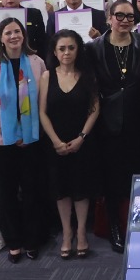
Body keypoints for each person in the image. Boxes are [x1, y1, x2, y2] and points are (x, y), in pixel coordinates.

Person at [0, 16, 51, 261]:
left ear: (24, 35)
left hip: (32, 140)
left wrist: (26, 133)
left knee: (32, 190)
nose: (13, 36)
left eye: (17, 32)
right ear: (0, 38)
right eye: (8, 33)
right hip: (1, 141)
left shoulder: (36, 62)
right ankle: (14, 241)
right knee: (7, 193)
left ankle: (33, 239)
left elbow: (43, 100)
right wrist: (7, 131)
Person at [86, 0, 140, 252]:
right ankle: (115, 226)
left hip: (139, 120)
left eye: (130, 16)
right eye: (120, 16)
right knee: (113, 178)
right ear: (109, 18)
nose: (125, 21)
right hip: (107, 122)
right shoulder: (94, 48)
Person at [40, 29, 100, 258]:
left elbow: (94, 109)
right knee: (61, 190)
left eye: (71, 47)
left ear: (78, 50)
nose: (67, 52)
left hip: (82, 142)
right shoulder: (47, 76)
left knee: (81, 189)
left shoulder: (88, 75)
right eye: (62, 48)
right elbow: (42, 112)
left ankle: (82, 233)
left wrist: (81, 138)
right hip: (56, 143)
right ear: (54, 52)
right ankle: (67, 234)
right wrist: (56, 141)